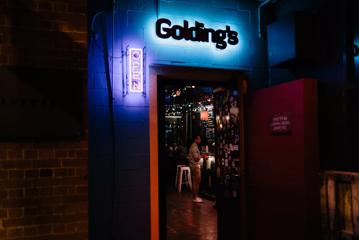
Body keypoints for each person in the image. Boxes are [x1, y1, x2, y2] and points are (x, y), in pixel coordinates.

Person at [187, 135, 206, 203]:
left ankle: (195, 197)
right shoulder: (194, 147)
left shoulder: (194, 146)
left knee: (196, 181)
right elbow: (196, 158)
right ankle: (195, 197)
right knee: (196, 182)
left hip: (194, 166)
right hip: (195, 166)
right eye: (199, 139)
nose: (200, 140)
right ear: (196, 139)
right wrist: (202, 156)